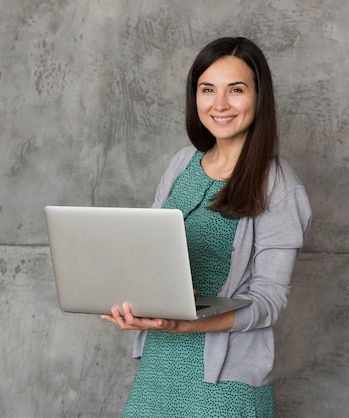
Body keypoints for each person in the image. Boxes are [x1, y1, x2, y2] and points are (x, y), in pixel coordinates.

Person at [101, 37, 312, 417]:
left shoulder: (280, 185)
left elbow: (268, 302)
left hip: (224, 382)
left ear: (259, 98)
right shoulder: (182, 163)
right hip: (159, 365)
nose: (220, 104)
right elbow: (147, 251)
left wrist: (189, 325)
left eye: (236, 90)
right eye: (207, 89)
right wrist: (132, 296)